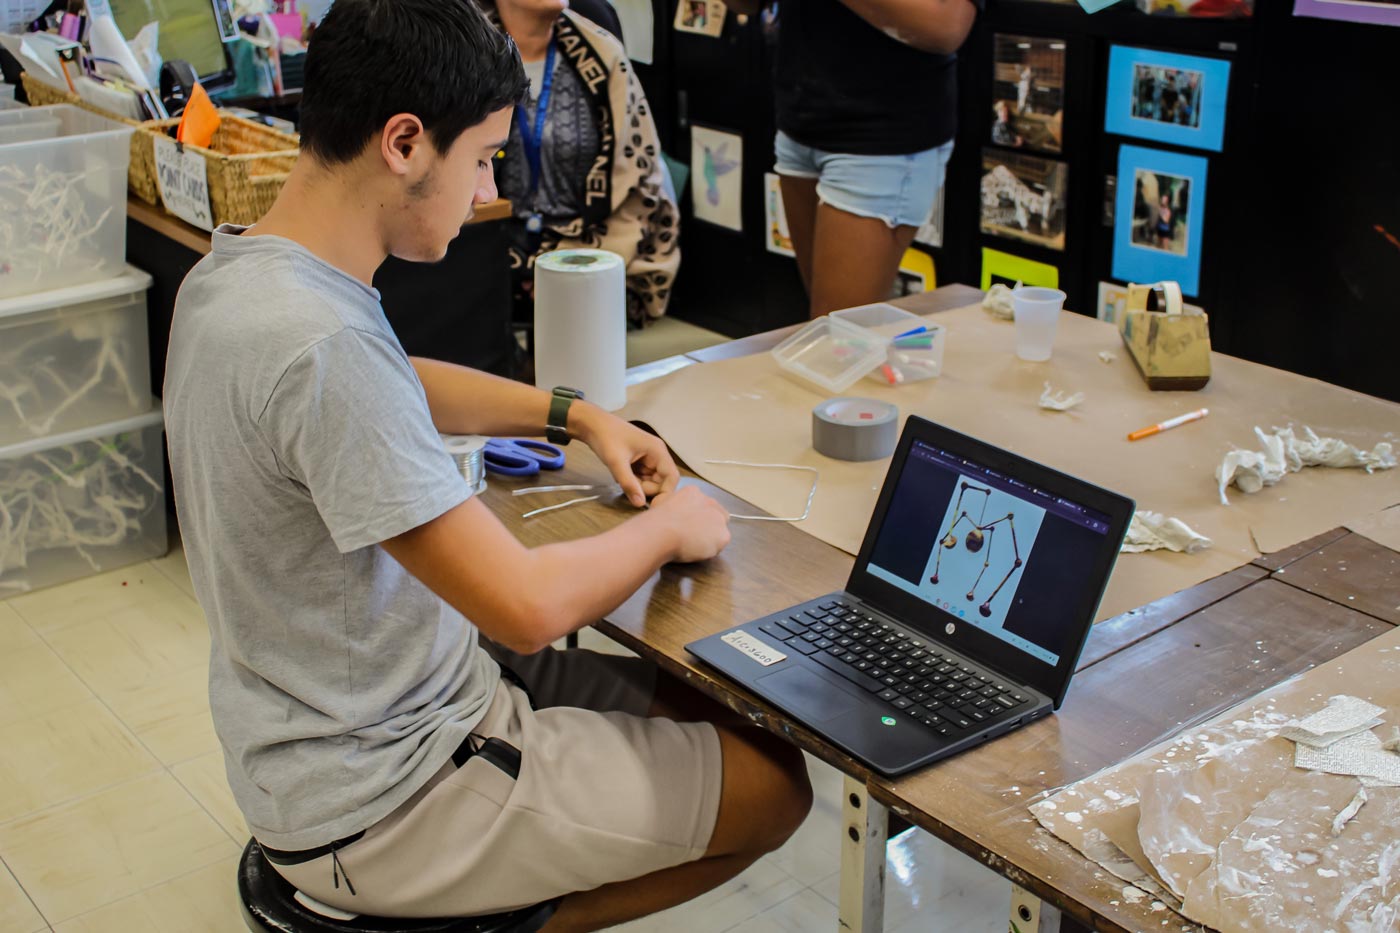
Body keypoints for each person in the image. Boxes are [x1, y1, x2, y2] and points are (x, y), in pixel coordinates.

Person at [162, 0, 812, 929]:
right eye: (480, 160)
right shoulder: (323, 347)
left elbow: (394, 378)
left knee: (705, 707)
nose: (483, 194)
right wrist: (674, 523)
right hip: (387, 796)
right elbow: (528, 607)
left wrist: (575, 413)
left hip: (327, 734)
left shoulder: (242, 276)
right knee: (774, 787)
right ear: (403, 143)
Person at [723, 0, 980, 318]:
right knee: (832, 328)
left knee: (838, 336)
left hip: (883, 134)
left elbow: (947, 26)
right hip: (801, 121)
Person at [490, 0, 679, 327]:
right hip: (484, 250)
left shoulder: (603, 54)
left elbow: (640, 180)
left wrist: (574, 265)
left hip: (589, 245)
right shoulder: (459, 53)